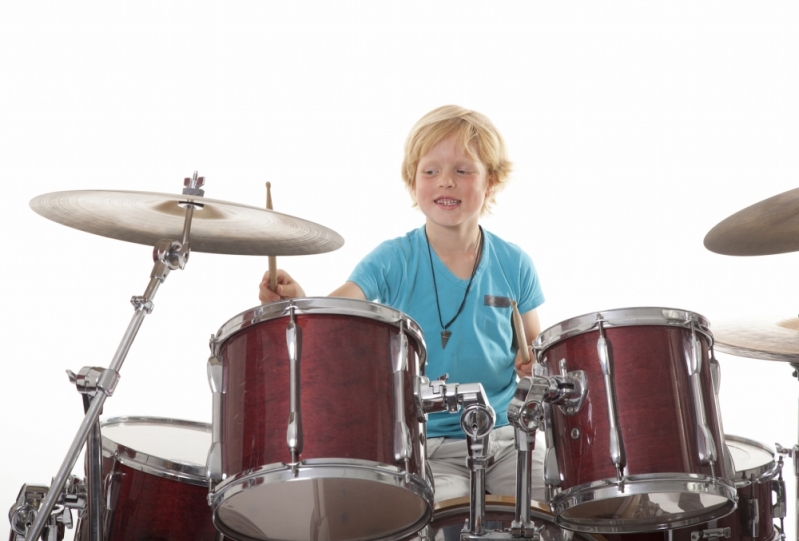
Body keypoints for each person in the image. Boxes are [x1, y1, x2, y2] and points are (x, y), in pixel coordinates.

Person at [258, 105, 546, 503]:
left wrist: (535, 363)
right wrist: (301, 301)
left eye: (463, 171)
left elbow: (536, 348)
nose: (446, 182)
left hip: (506, 439)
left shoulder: (515, 263)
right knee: (433, 512)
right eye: (431, 171)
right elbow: (339, 309)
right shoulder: (393, 258)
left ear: (491, 182)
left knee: (547, 503)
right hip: (429, 445)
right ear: (413, 182)